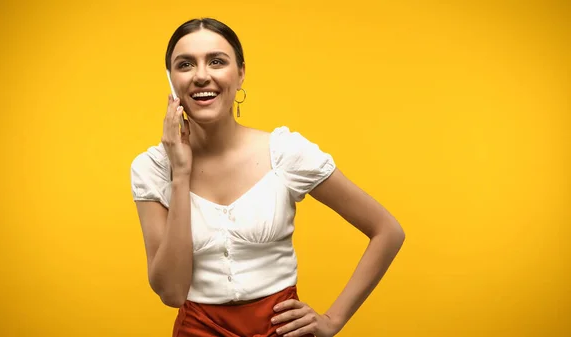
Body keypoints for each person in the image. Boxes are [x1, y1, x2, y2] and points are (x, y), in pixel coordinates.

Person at [130, 17, 405, 337]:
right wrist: (180, 174)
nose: (202, 76)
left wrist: (332, 320)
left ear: (241, 73)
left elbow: (388, 231)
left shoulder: (285, 153)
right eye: (185, 65)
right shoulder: (151, 168)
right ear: (171, 80)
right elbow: (172, 293)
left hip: (280, 331)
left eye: (217, 61)